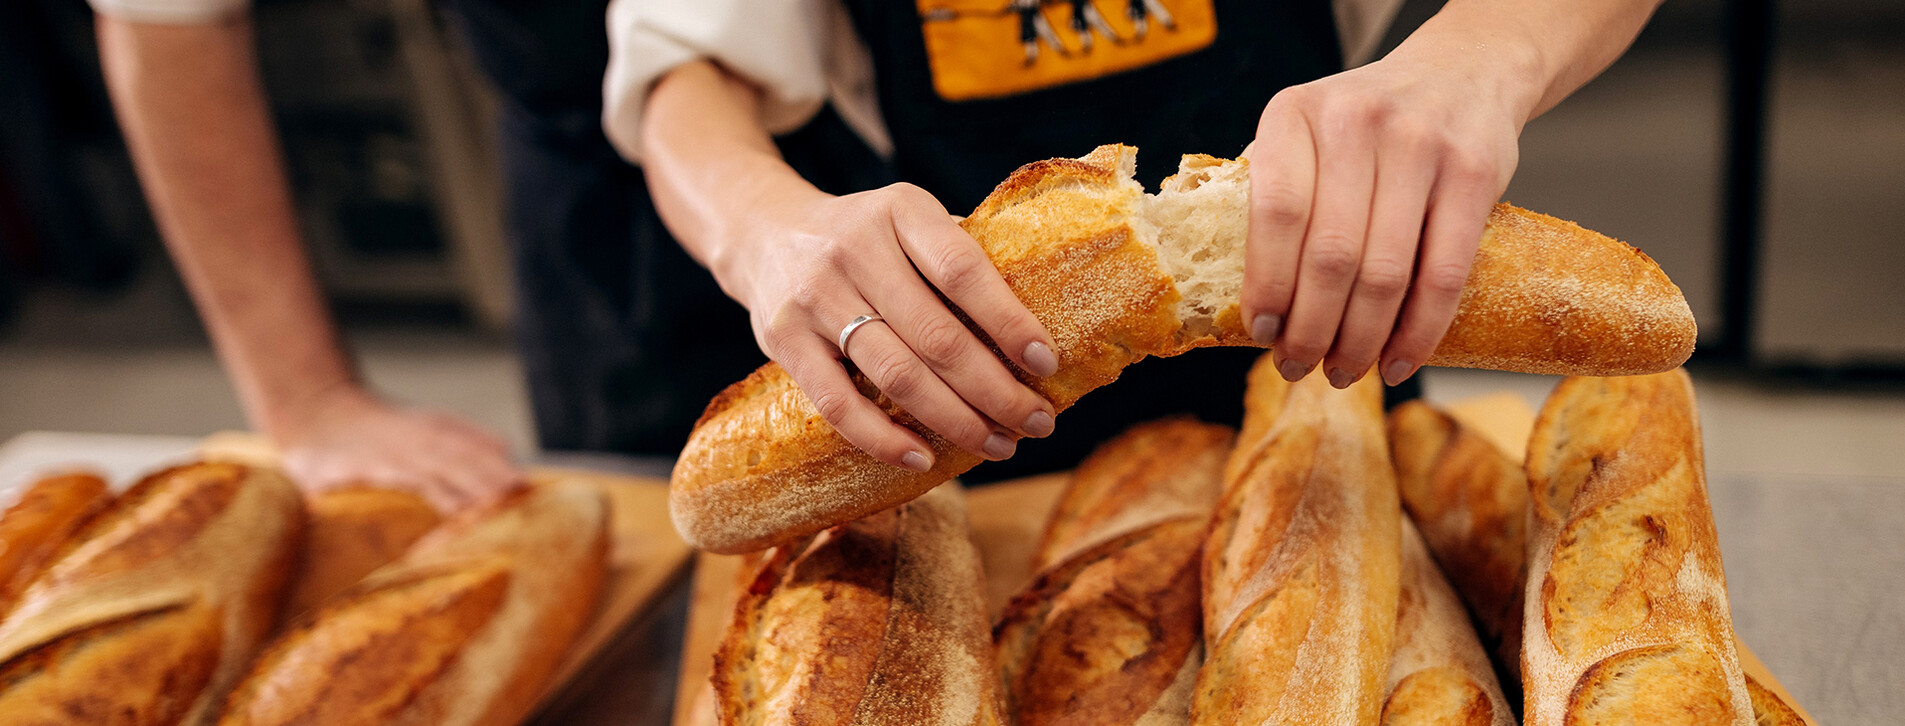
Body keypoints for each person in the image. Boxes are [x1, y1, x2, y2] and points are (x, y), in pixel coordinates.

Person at [609, 0, 1664, 478]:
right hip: (969, 402)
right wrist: (759, 222)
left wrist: (1484, 56)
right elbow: (685, 71)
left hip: (1331, 373)